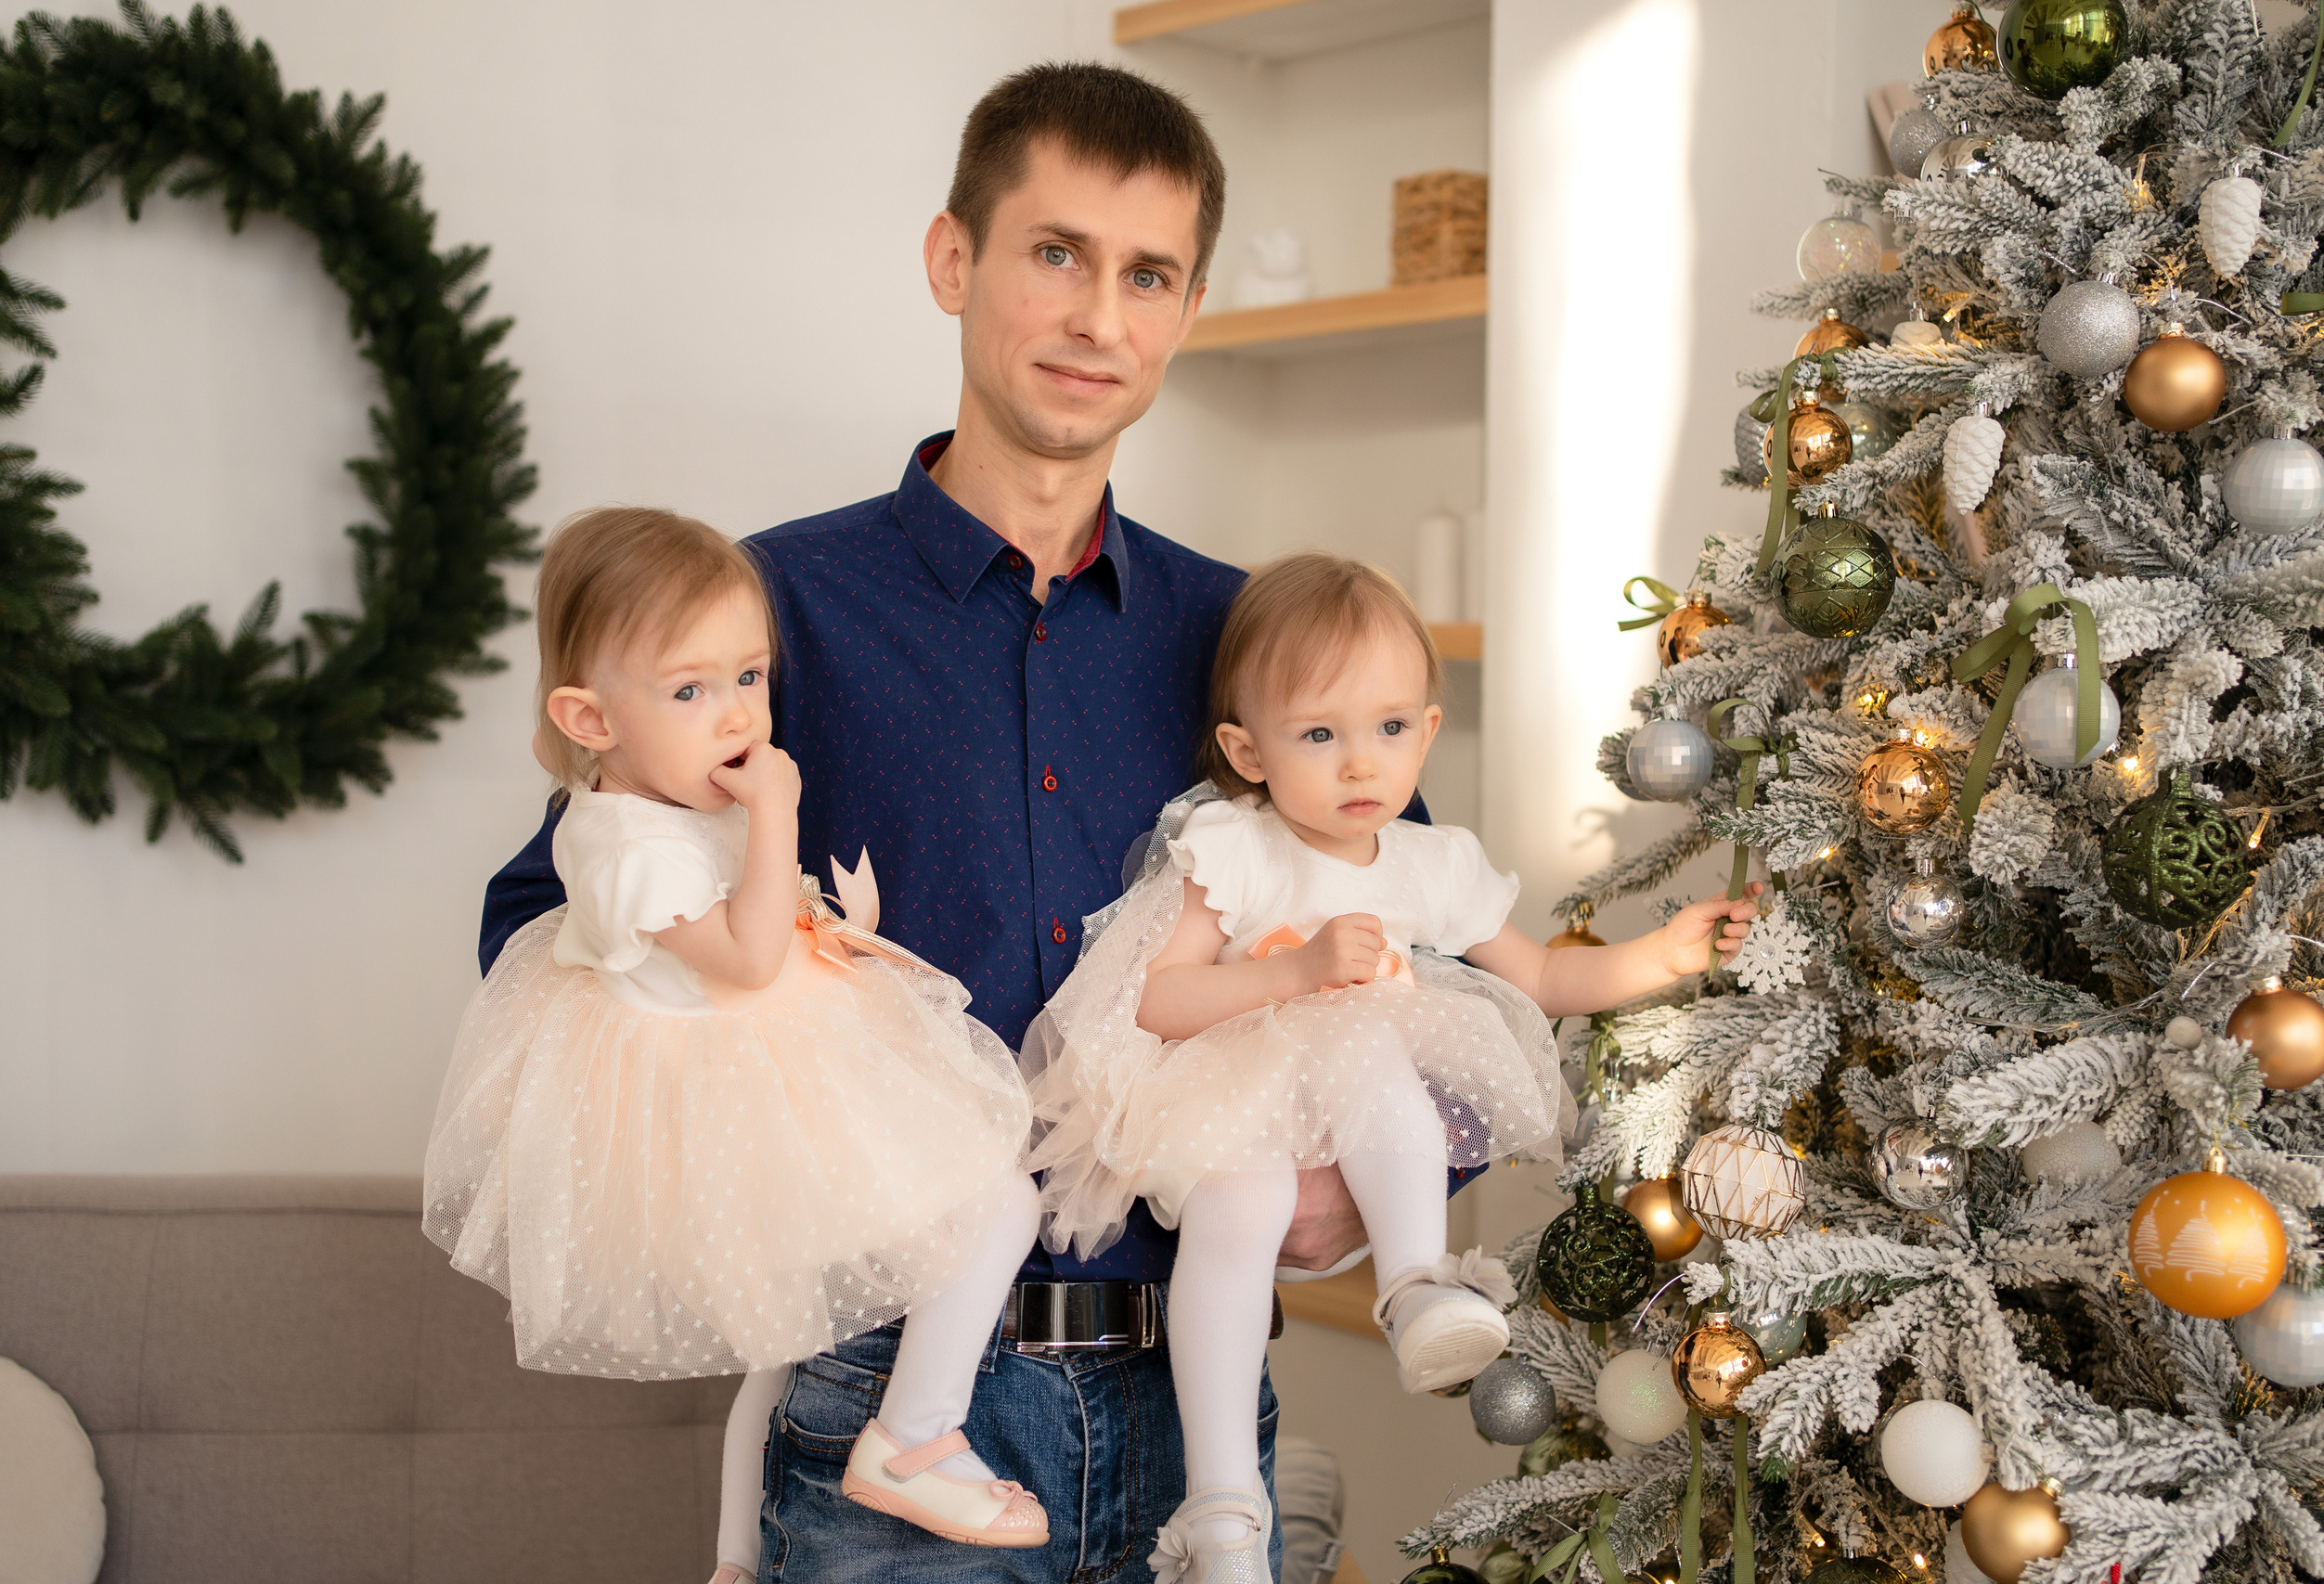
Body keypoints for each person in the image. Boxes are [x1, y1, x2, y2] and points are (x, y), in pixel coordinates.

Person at [476, 62, 1443, 1583]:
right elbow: (548, 927)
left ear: (1185, 311)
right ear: (954, 261)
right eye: (1054, 253)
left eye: (1147, 275)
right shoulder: (760, 611)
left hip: (1194, 1415)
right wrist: (738, 1163)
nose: (1097, 320)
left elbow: (1416, 928)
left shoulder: (1254, 638)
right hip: (883, 1395)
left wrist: (1382, 1188)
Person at [1024, 555, 1762, 1578]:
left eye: (1386, 730)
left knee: (1379, 1064)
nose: (1359, 766)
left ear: (1424, 727)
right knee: (1239, 1212)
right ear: (1248, 750)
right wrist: (1297, 974)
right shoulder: (1232, 846)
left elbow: (1541, 976)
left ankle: (1414, 1283)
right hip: (1226, 1093)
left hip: (1358, 1093)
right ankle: (1223, 1505)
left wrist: (1662, 957)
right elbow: (1153, 996)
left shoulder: (1432, 861)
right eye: (1318, 736)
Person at [426, 509, 1052, 1578]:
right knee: (999, 1198)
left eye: (751, 678)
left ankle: (733, 1559)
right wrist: (781, 806)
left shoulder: (666, 805)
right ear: (590, 716)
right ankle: (911, 1438)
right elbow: (754, 956)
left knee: (789, 1333)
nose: (738, 718)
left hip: (762, 1069)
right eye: (689, 690)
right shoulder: (627, 848)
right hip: (729, 1091)